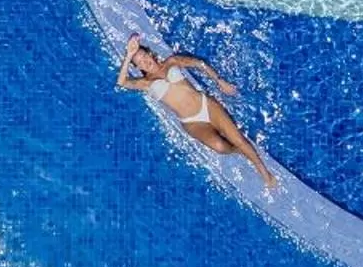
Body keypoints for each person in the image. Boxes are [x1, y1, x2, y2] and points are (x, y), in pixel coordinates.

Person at [116, 34, 277, 188]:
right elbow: (122, 82)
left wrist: (219, 81)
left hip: (206, 106)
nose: (145, 62)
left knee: (238, 139)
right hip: (192, 123)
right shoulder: (145, 83)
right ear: (137, 67)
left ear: (150, 53)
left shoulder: (171, 62)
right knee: (220, 148)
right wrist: (129, 55)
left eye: (144, 56)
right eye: (139, 63)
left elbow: (199, 63)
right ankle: (241, 151)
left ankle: (265, 174)